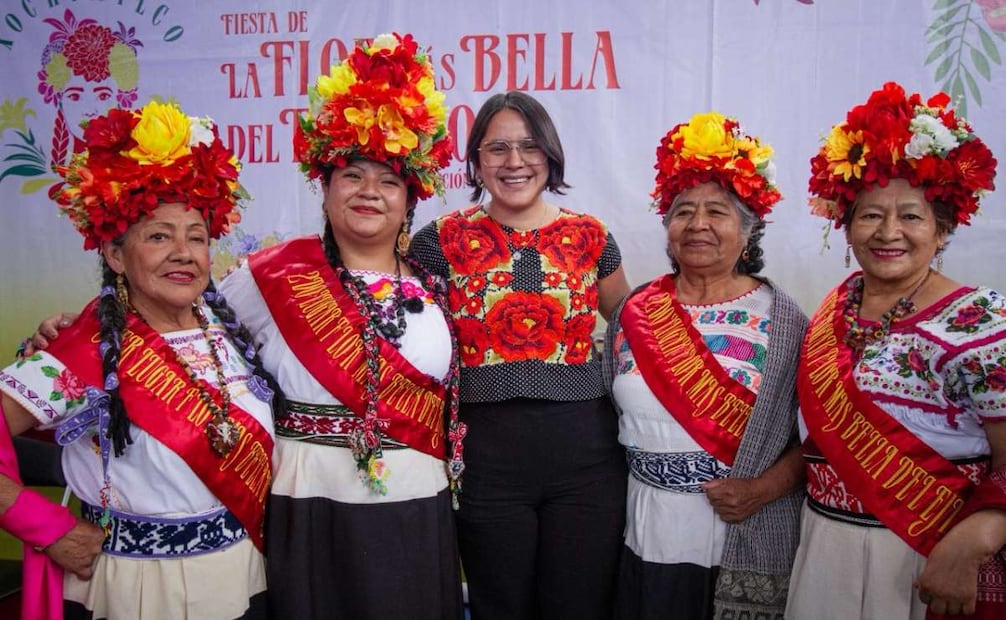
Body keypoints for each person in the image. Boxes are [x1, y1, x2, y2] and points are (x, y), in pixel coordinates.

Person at [0, 99, 282, 619]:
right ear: (114, 255)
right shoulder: (85, 347)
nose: (183, 252)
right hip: (134, 589)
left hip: (246, 576)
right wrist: (46, 526)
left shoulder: (230, 335)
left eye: (196, 237)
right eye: (158, 235)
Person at [215, 33, 466, 619]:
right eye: (352, 176)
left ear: (410, 200)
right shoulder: (268, 276)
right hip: (309, 496)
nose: (369, 193)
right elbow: (184, 331)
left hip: (415, 492)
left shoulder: (433, 285)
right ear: (324, 188)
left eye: (388, 181)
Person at [786, 81, 1005, 619]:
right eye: (870, 215)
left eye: (910, 215)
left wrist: (978, 535)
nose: (889, 232)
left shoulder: (984, 321)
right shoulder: (832, 312)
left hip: (930, 552)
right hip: (824, 545)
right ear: (847, 226)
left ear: (942, 229)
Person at [411, 90, 631, 619]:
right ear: (476, 160)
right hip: (486, 461)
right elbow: (414, 347)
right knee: (499, 606)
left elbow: (632, 332)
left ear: (551, 155)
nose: (515, 162)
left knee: (579, 606)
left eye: (530, 147)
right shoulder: (438, 240)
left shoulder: (591, 236)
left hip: (587, 460)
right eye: (498, 149)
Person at [601, 112, 806, 620]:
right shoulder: (632, 313)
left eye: (717, 211)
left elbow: (822, 436)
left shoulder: (785, 322)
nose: (697, 224)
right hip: (644, 529)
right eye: (682, 211)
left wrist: (763, 489)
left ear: (748, 229)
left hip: (739, 530)